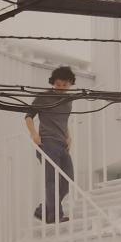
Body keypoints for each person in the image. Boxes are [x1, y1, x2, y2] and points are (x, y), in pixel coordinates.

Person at [25, 65, 75, 223]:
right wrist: (34, 134)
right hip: (47, 143)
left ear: (70, 84)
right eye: (58, 84)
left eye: (65, 85)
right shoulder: (43, 97)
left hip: (62, 145)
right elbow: (28, 116)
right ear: (53, 82)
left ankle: (42, 210)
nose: (61, 88)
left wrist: (68, 136)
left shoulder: (69, 100)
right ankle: (54, 215)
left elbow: (62, 121)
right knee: (52, 180)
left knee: (68, 181)